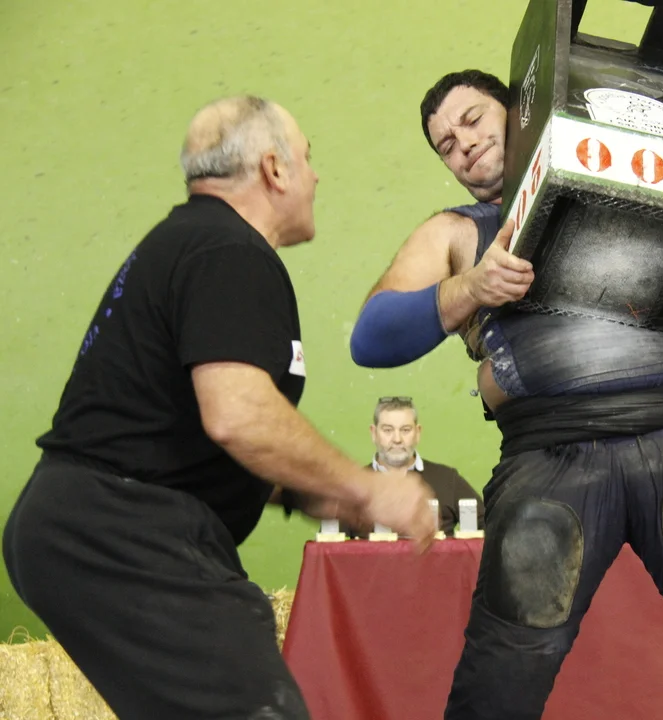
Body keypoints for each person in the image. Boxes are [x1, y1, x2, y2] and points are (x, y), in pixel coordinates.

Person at [351, 70, 663, 720]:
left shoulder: (615, 170)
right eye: (445, 144)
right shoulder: (456, 233)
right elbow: (371, 337)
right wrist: (469, 288)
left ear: (518, 110)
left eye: (472, 121)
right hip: (550, 455)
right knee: (500, 681)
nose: (463, 145)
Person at [2, 95, 436, 720]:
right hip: (121, 527)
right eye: (307, 157)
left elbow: (183, 428)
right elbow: (237, 416)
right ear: (274, 169)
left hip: (88, 526)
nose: (316, 176)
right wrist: (367, 489)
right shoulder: (227, 250)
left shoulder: (192, 244)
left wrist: (315, 494)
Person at [349, 395, 485, 537]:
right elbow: (334, 543)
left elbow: (490, 528)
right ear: (374, 433)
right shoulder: (355, 485)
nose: (397, 439)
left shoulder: (447, 479)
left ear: (417, 432)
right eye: (388, 430)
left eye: (405, 430)